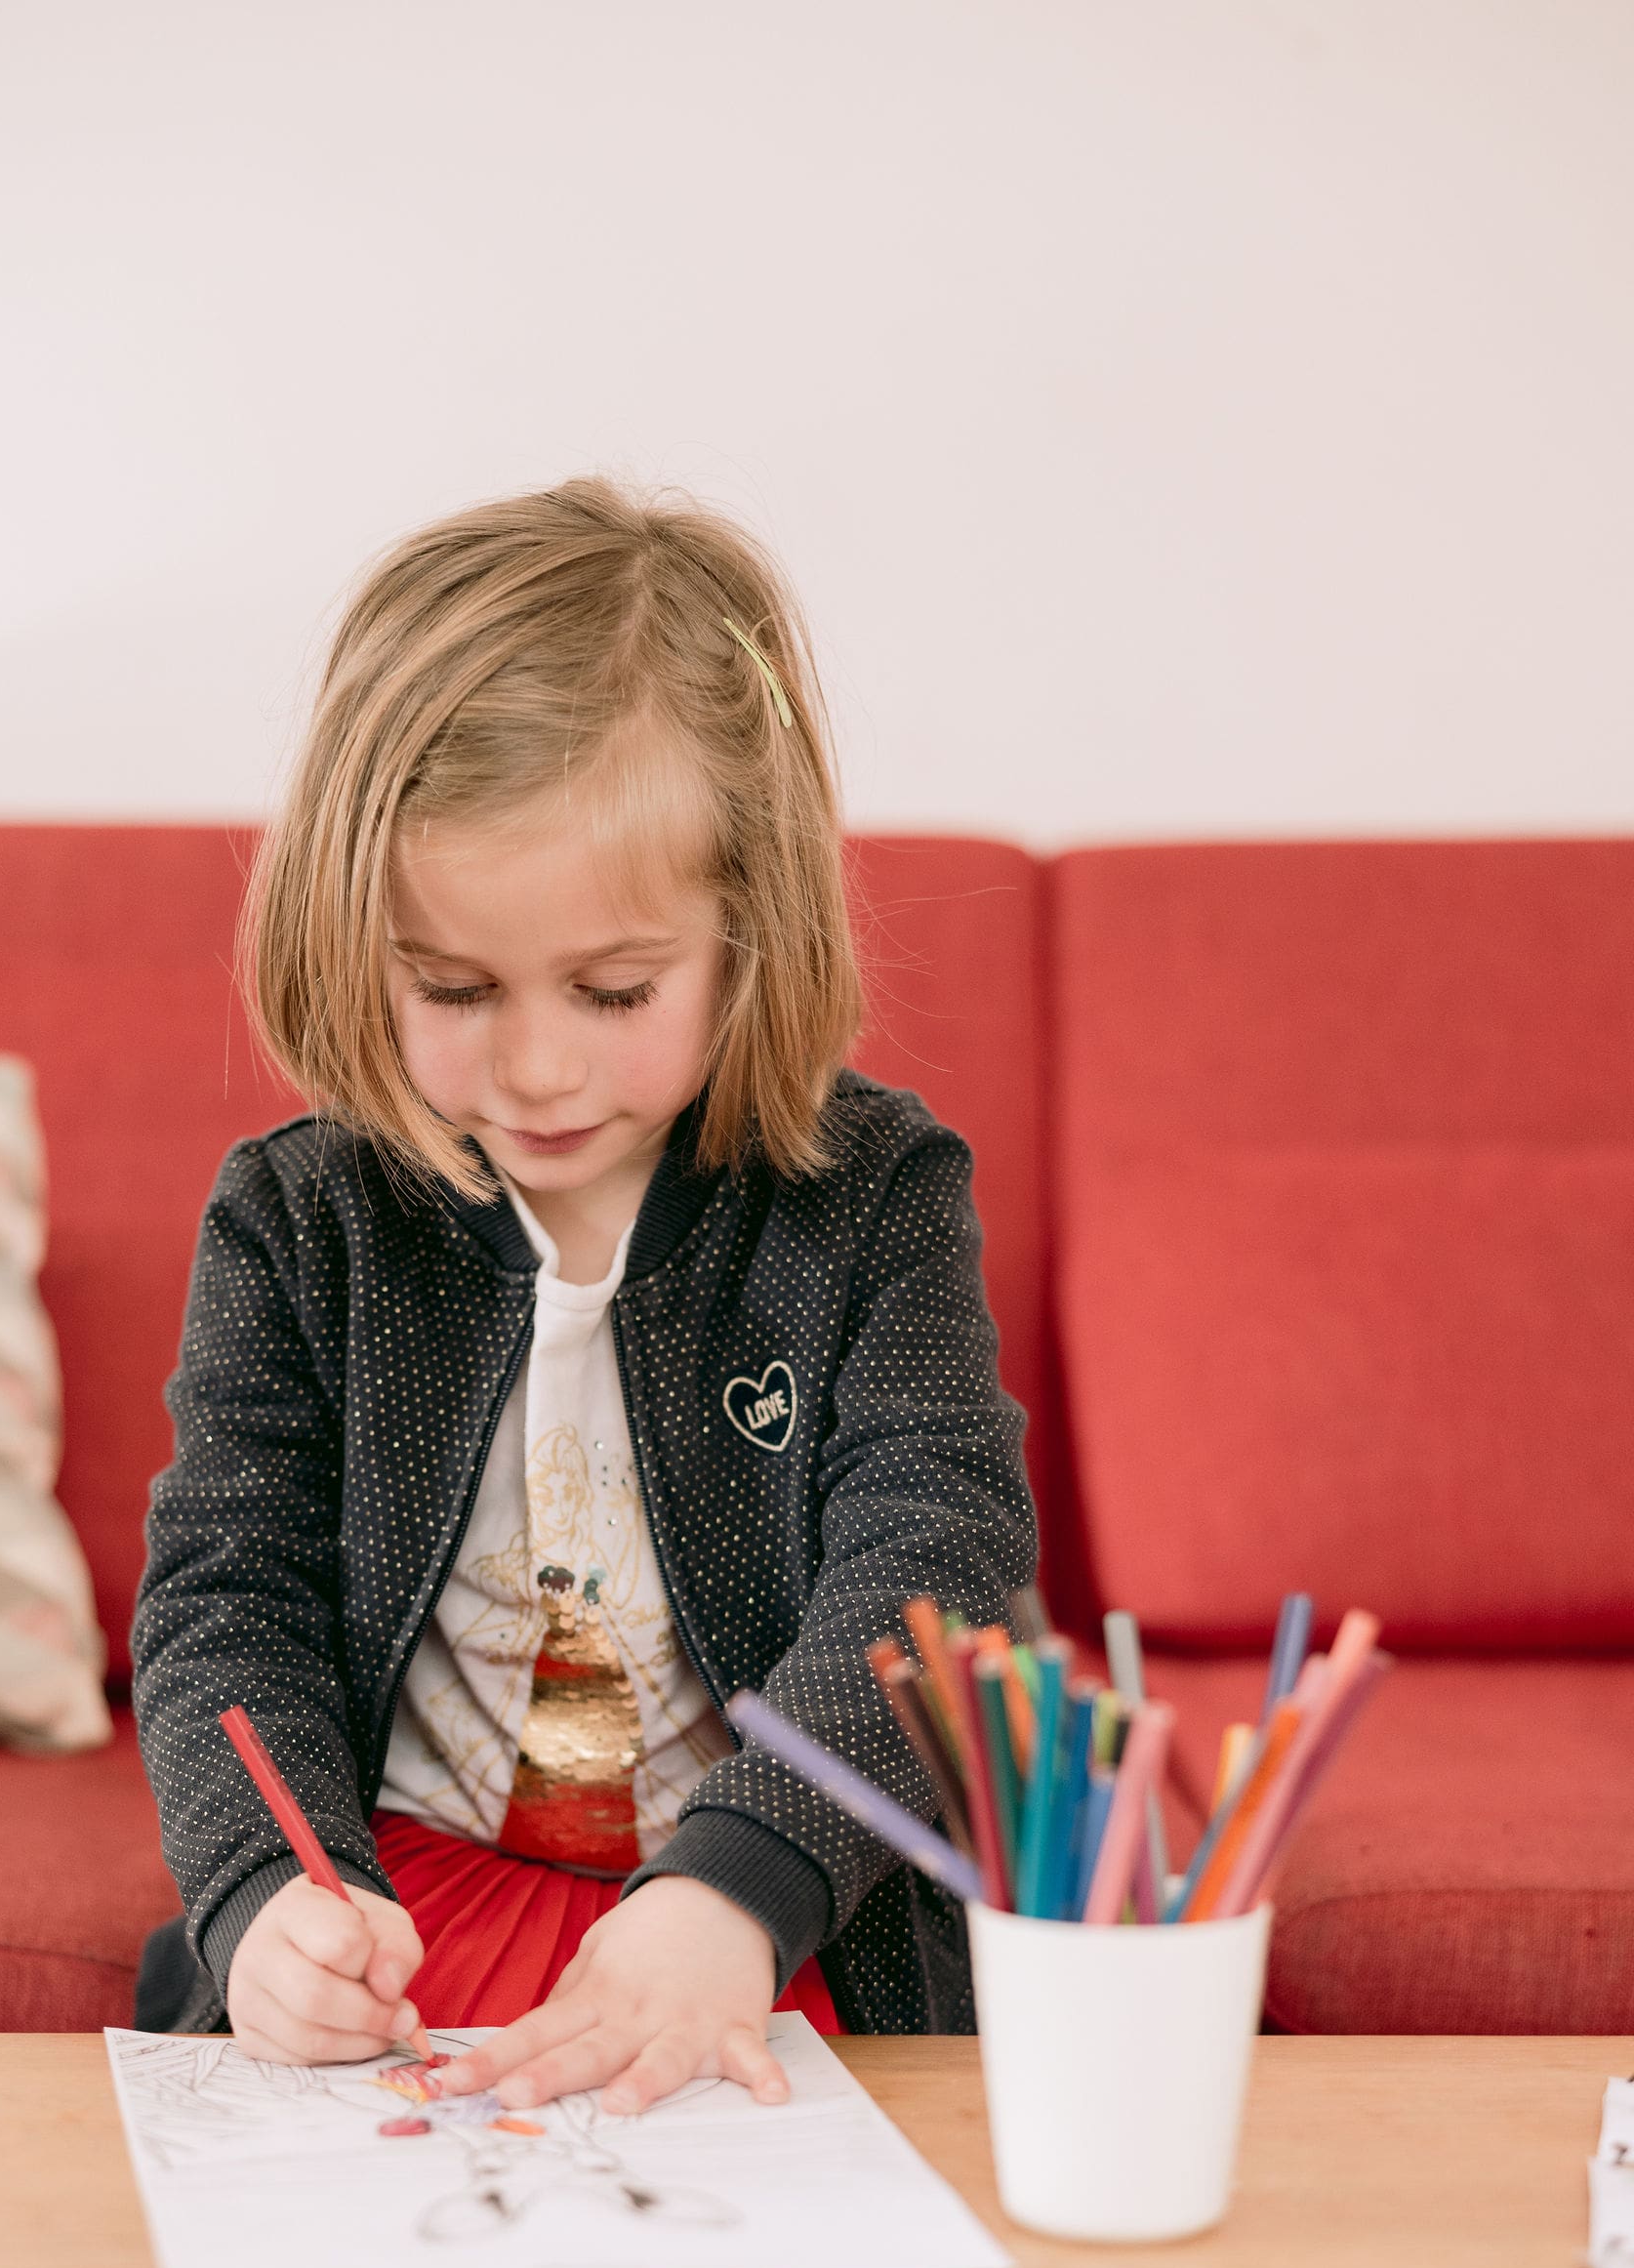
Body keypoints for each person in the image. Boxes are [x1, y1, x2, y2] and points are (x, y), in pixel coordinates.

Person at [132, 477, 1035, 2115]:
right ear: (354, 941)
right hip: (410, 1908)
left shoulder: (875, 1195)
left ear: (745, 936)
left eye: (615, 990)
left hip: (771, 1899)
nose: (539, 1066)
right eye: (455, 988)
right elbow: (226, 1601)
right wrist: (268, 1896)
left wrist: (736, 1889)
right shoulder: (293, 1221)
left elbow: (936, 1564)